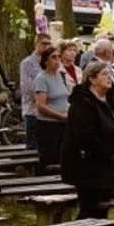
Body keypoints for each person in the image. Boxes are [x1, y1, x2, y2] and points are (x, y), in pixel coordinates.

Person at [59, 60, 114, 219]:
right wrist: (110, 152)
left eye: (110, 74)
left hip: (106, 164)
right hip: (85, 165)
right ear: (92, 79)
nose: (109, 78)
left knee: (102, 208)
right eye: (104, 74)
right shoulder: (82, 102)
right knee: (90, 209)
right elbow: (85, 136)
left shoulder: (109, 99)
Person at [32, 45, 71, 174]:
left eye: (59, 57)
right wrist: (61, 116)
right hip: (48, 125)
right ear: (45, 61)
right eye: (53, 57)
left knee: (62, 156)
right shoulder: (41, 78)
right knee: (49, 157)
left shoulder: (61, 75)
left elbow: (63, 98)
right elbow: (41, 106)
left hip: (63, 124)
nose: (57, 60)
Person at [16, 31, 50, 151]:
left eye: (49, 44)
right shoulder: (27, 63)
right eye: (43, 44)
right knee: (33, 147)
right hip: (33, 111)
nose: (46, 46)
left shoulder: (51, 62)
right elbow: (28, 88)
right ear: (36, 44)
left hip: (50, 111)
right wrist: (47, 94)